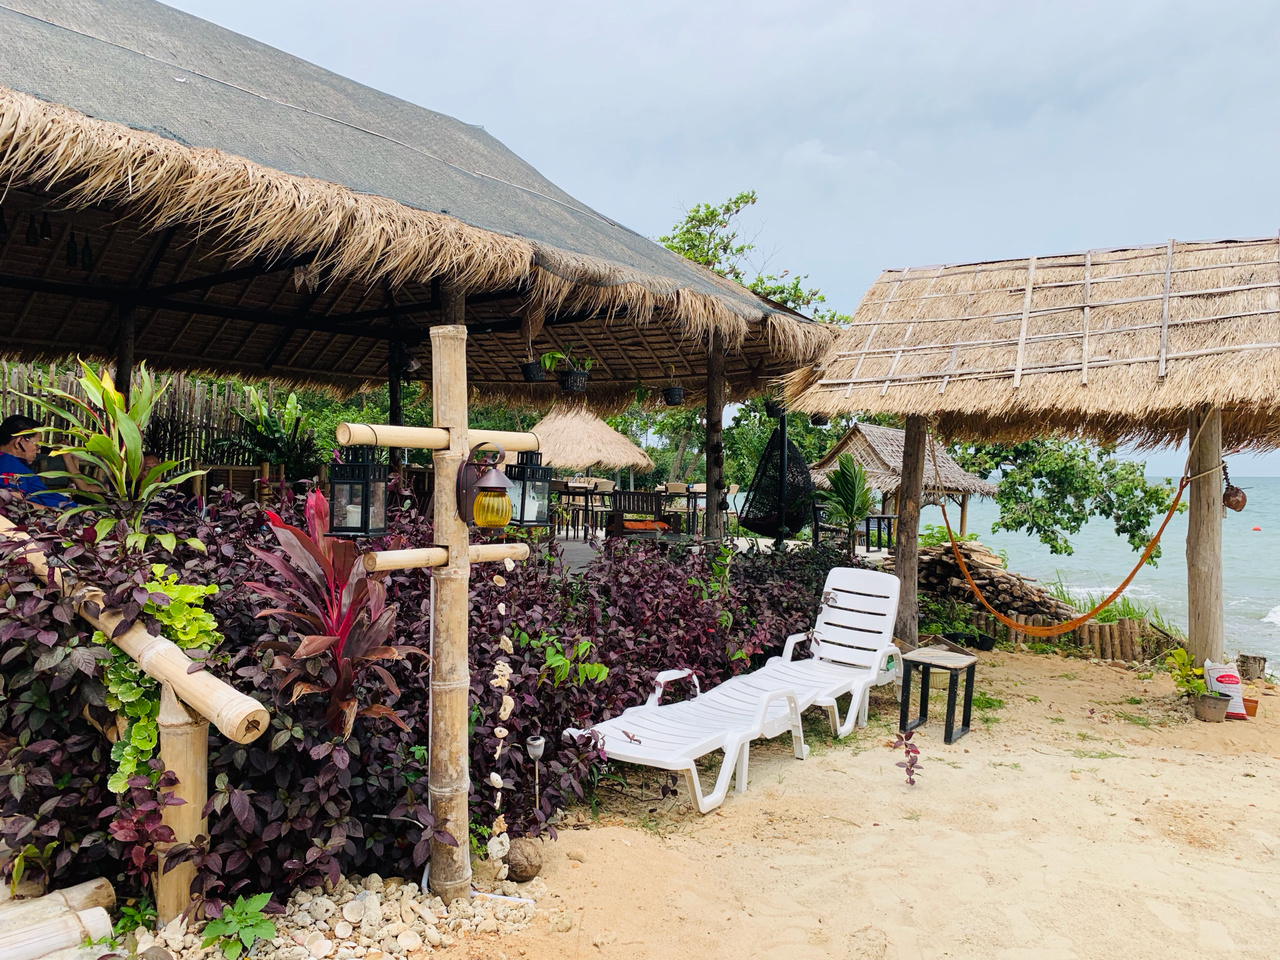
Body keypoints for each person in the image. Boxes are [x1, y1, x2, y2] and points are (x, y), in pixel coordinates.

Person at [0, 414, 94, 509]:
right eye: (37, 445)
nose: (39, 450)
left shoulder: (15, 463)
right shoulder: (8, 462)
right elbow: (12, 499)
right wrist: (52, 511)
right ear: (18, 442)